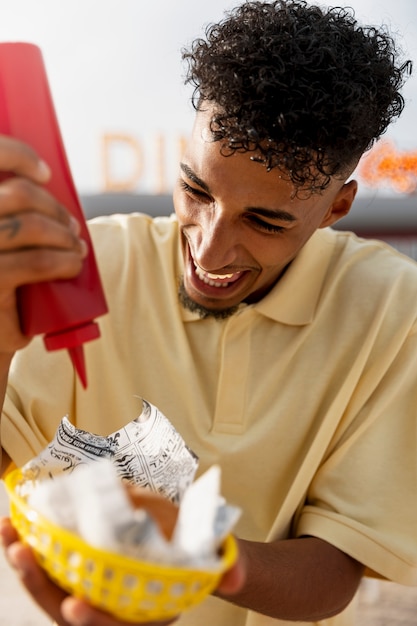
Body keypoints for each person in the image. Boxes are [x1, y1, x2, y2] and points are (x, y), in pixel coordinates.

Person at [0, 0, 416, 625]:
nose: (210, 247)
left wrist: (196, 558)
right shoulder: (88, 261)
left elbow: (336, 567)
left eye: (266, 221)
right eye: (196, 190)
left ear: (337, 207)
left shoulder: (392, 311)